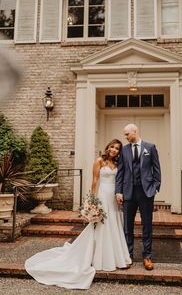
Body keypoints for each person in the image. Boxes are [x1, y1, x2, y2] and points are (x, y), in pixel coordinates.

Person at [25, 139, 131, 290]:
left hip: (113, 197)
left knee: (114, 224)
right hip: (102, 195)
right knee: (101, 226)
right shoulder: (99, 161)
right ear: (108, 147)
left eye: (117, 149)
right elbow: (95, 181)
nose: (114, 150)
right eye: (112, 147)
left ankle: (116, 257)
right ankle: (99, 259)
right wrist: (92, 201)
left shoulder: (118, 163)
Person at [115, 124, 161, 271]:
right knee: (127, 226)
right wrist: (118, 191)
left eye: (127, 134)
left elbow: (157, 169)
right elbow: (120, 172)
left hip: (146, 192)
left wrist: (155, 187)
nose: (125, 137)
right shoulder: (124, 150)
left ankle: (147, 256)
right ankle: (128, 255)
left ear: (135, 132)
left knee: (147, 225)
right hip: (128, 192)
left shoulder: (150, 147)